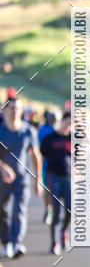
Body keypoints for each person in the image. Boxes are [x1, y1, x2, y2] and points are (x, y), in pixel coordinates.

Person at [0, 97, 42, 258]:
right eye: (11, 108)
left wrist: (38, 180)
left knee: (19, 210)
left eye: (18, 108)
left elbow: (36, 156)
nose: (15, 111)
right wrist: (4, 168)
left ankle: (17, 243)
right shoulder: (1, 131)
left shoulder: (28, 131)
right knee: (3, 211)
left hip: (22, 179)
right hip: (2, 179)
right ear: (5, 110)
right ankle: (6, 243)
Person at [40, 112, 72, 254]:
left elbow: (85, 150)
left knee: (70, 210)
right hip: (53, 176)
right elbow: (42, 155)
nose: (68, 126)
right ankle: (54, 242)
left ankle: (63, 231)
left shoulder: (74, 138)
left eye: (71, 124)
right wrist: (42, 177)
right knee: (57, 209)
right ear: (62, 122)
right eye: (67, 123)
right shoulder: (50, 138)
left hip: (68, 176)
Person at [38, 109, 58, 225]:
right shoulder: (43, 130)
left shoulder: (61, 129)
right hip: (47, 166)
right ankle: (49, 209)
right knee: (47, 191)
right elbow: (39, 149)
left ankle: (57, 211)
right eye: (51, 116)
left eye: (55, 117)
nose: (53, 119)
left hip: (61, 168)